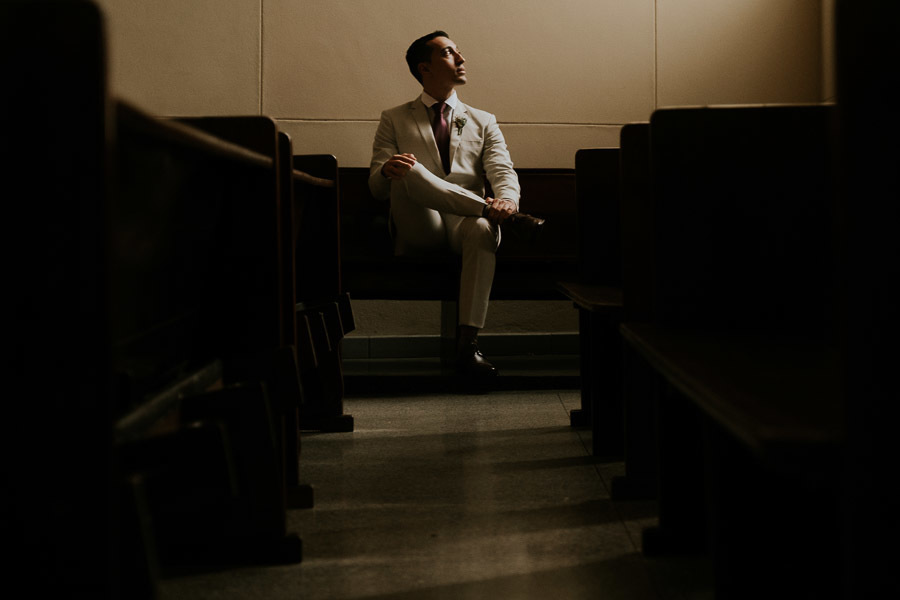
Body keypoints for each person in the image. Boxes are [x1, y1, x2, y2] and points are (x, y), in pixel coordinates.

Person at [368, 30, 545, 379]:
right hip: (420, 224)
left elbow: (502, 171)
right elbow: (376, 187)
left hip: (463, 226)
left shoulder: (483, 120)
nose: (461, 59)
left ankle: (467, 345)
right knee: (409, 169)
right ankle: (490, 212)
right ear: (425, 68)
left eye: (458, 52)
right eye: (450, 53)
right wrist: (388, 170)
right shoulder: (395, 117)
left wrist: (507, 202)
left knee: (482, 227)